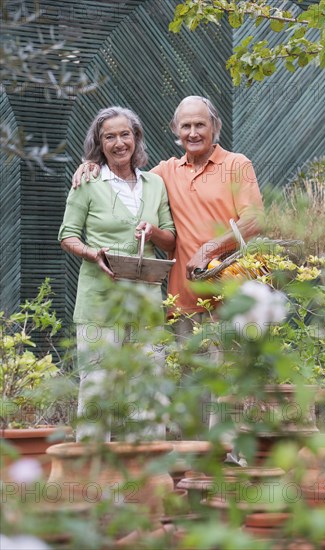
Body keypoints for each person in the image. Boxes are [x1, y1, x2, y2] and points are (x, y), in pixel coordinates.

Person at [72, 96, 263, 335]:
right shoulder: (165, 173)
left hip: (233, 297)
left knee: (231, 370)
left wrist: (207, 250)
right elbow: (123, 181)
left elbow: (255, 220)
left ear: (215, 126)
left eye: (200, 125)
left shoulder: (237, 164)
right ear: (176, 130)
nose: (193, 133)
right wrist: (92, 165)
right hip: (183, 304)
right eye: (186, 126)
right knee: (187, 372)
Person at [59, 106, 176, 441]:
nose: (118, 142)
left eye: (125, 134)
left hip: (145, 300)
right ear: (99, 143)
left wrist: (152, 231)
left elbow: (170, 238)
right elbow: (67, 235)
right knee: (97, 383)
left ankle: (148, 469)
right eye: (109, 136)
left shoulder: (154, 184)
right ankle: (92, 473)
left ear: (136, 138)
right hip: (99, 299)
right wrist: (91, 252)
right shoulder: (88, 180)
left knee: (148, 381)